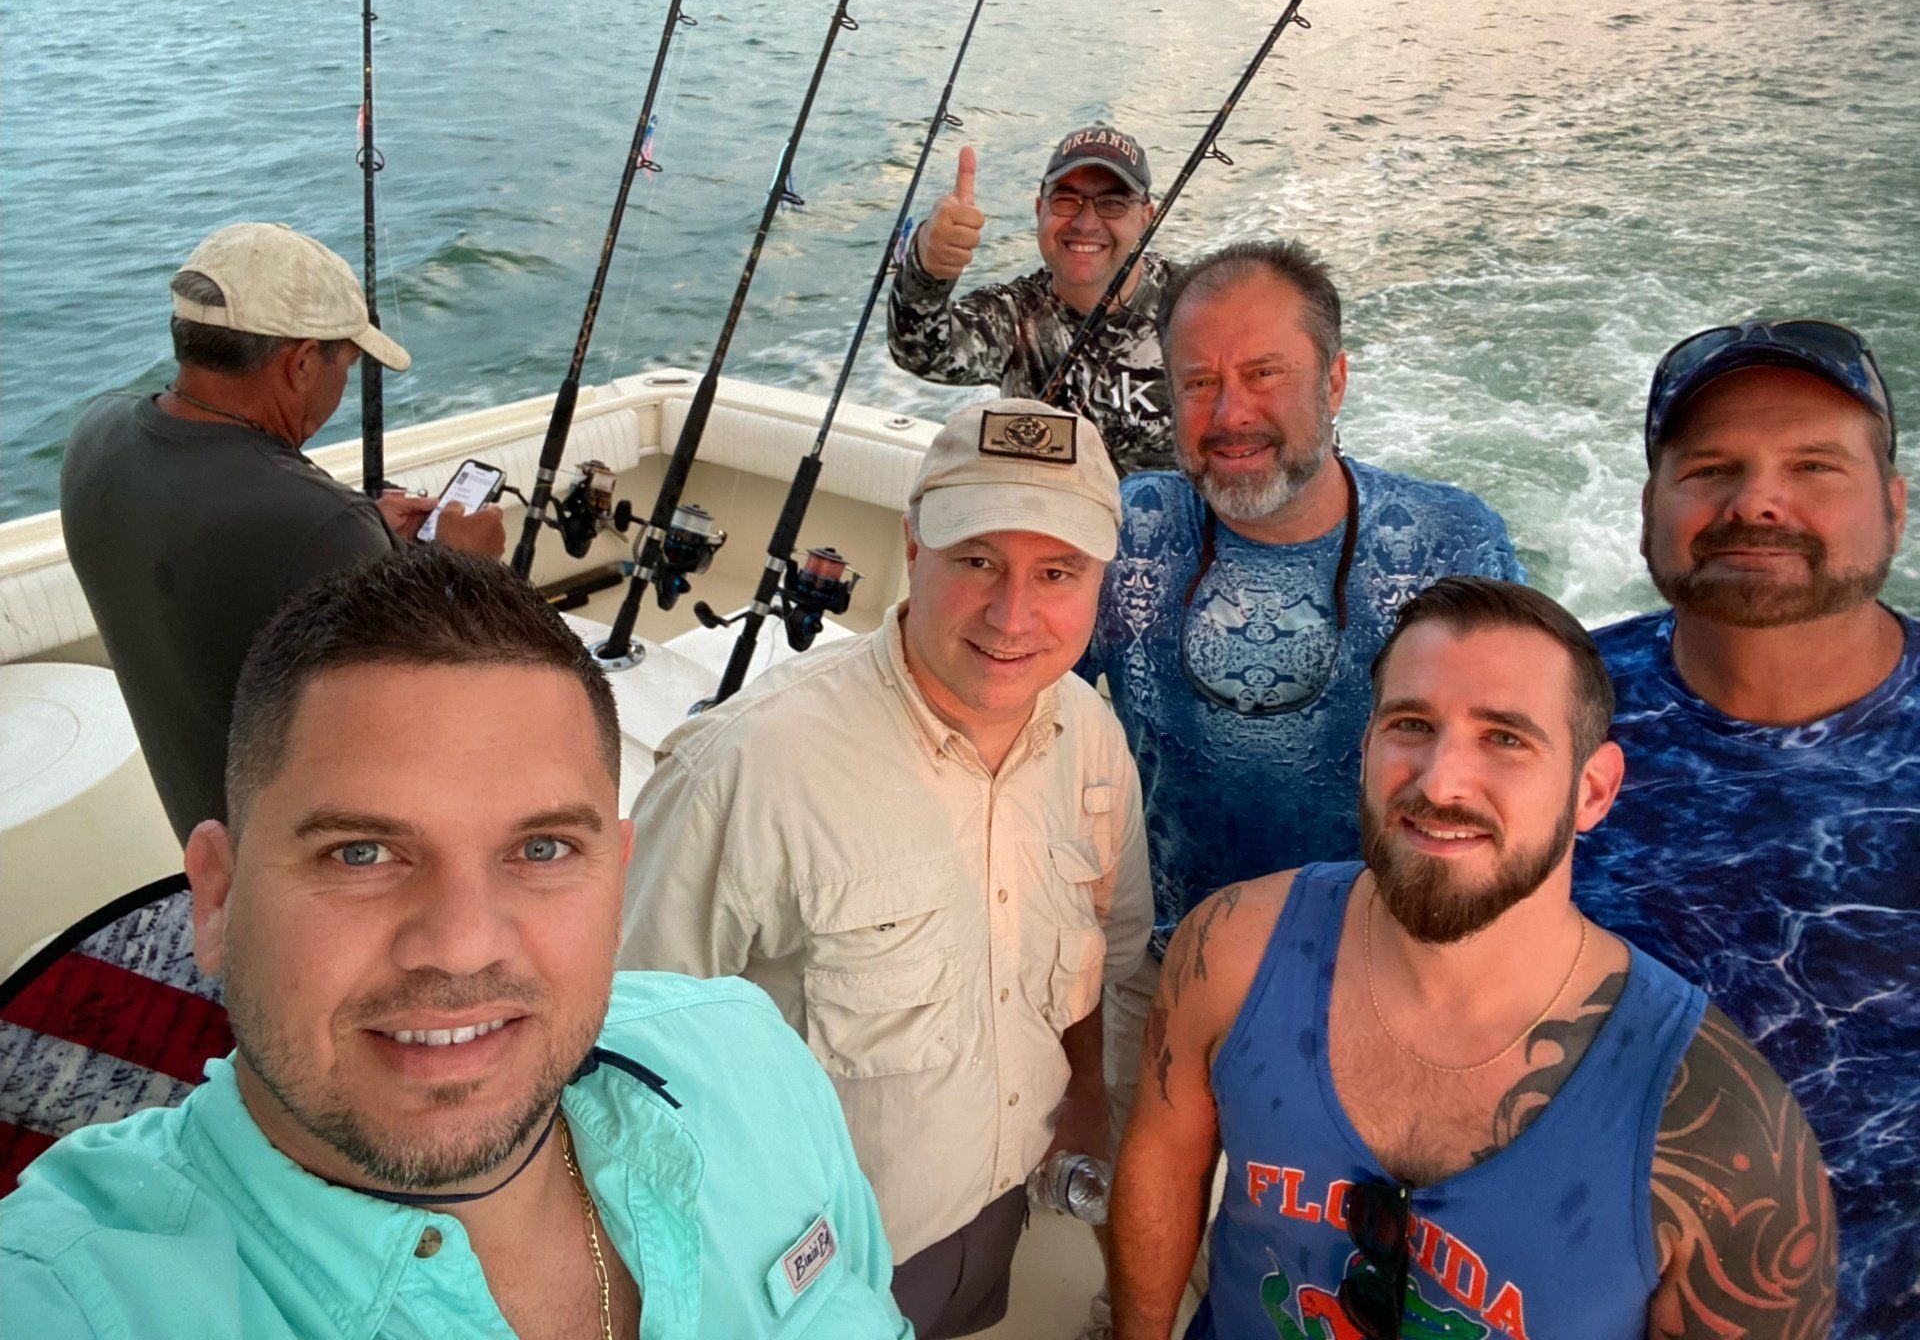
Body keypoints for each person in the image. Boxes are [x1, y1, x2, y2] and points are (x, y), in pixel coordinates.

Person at [0, 546, 909, 1339]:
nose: (464, 946)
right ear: (219, 898)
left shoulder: (748, 1059)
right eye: (362, 853)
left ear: (617, 880)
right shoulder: (67, 1297)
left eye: (542, 849)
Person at [1111, 576, 1837, 1340]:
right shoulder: (1228, 948)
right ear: (1365, 748)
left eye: (1505, 738)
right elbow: (1164, 1160)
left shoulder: (1719, 1129)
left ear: (1593, 790)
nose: (1441, 781)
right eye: (1412, 724)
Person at [619, 398, 1153, 1338]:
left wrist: (1083, 1103)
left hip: (994, 1216)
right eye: (977, 560)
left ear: (1101, 582)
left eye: (1057, 572)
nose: (1013, 612)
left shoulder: (1093, 737)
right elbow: (628, 1061)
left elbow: (1094, 964)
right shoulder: (744, 767)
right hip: (797, 1271)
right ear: (913, 549)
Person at [1077, 238, 1524, 1140]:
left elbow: (1513, 772)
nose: (1230, 412)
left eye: (1265, 373)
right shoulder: (1131, 525)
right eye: (1198, 383)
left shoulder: (1452, 542)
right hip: (1154, 972)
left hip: (1370, 987)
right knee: (1140, 1227)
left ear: (1336, 380)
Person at [1569, 319, 1914, 1338]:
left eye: (1814, 467)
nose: (1757, 502)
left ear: (1893, 505)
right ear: (1647, 513)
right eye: (1711, 468)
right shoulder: (1540, 720)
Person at [60, 221, 506, 845]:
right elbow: (435, 723)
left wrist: (364, 535)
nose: (342, 385)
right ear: (299, 364)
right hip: (314, 868)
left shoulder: (96, 434)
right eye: (345, 365)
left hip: (206, 835)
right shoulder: (324, 528)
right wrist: (469, 574)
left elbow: (226, 566)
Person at [887, 125, 1175, 474]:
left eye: (1112, 204)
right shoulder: (1013, 314)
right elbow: (922, 353)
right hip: (1046, 521)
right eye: (1066, 200)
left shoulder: (1194, 301)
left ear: (1146, 218)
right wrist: (926, 269)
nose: (1086, 223)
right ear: (1040, 209)